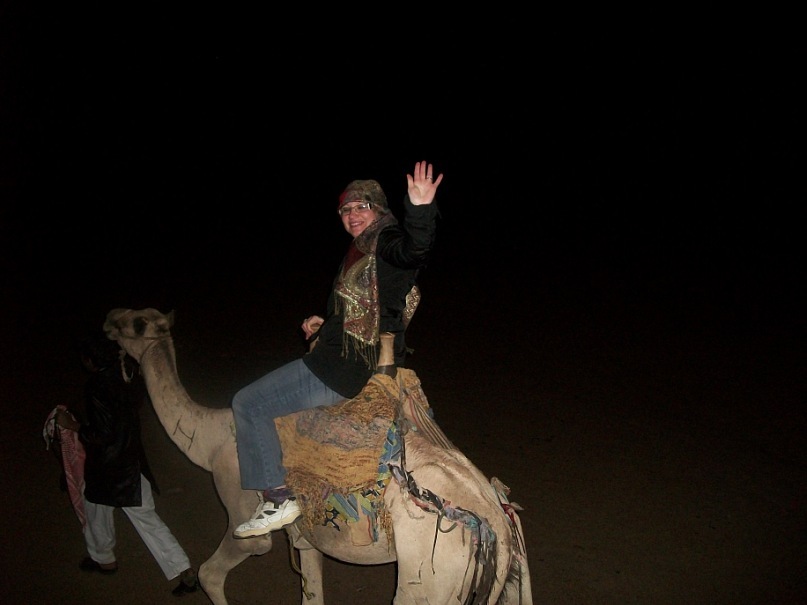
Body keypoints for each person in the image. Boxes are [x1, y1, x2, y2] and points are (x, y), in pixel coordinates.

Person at [232, 160, 443, 538]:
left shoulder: (386, 240)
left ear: (380, 210)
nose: (352, 215)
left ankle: (278, 497)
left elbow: (413, 251)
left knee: (248, 403)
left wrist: (420, 209)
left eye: (362, 206)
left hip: (343, 367)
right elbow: (364, 309)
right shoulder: (361, 249)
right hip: (344, 355)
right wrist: (326, 323)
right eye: (346, 209)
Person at [54, 331, 200, 597]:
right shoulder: (126, 377)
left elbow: (102, 434)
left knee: (105, 509)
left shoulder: (97, 386)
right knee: (102, 509)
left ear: (90, 361)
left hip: (110, 467)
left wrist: (72, 425)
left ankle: (113, 560)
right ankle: (108, 559)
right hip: (130, 461)